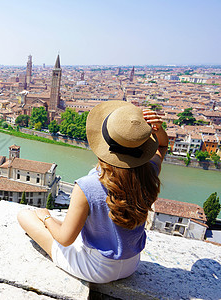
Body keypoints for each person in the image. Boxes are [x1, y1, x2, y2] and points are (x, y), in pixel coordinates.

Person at [17, 100, 168, 283]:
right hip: (131, 263)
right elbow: (162, 147)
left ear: (102, 143)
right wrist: (157, 129)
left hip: (97, 269)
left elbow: (65, 239)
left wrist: (46, 217)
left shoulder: (87, 186)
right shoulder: (150, 171)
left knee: (25, 215)